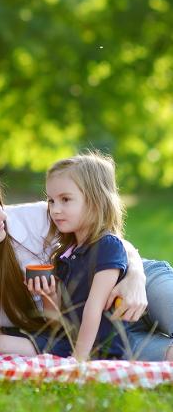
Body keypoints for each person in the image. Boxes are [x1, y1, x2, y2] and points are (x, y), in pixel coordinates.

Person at [0, 161, 173, 360]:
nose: (2, 215)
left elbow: (109, 240)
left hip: (135, 282)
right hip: (99, 332)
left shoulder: (34, 218)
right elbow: (54, 325)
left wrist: (135, 277)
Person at [26, 152, 128, 360]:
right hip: (70, 342)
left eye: (65, 200)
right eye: (51, 201)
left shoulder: (107, 246)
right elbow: (57, 323)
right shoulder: (64, 254)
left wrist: (79, 358)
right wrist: (48, 295)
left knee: (7, 344)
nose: (55, 210)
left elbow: (95, 305)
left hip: (99, 350)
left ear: (95, 201)